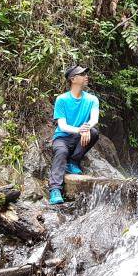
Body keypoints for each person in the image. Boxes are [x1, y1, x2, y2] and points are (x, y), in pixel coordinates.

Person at [48, 65, 100, 205]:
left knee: (94, 132)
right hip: (62, 138)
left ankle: (73, 162)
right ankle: (55, 190)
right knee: (61, 151)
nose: (86, 76)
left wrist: (87, 128)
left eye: (85, 73)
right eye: (82, 74)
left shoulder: (92, 99)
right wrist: (81, 130)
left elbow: (94, 119)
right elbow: (62, 125)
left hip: (78, 137)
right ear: (73, 79)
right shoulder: (62, 100)